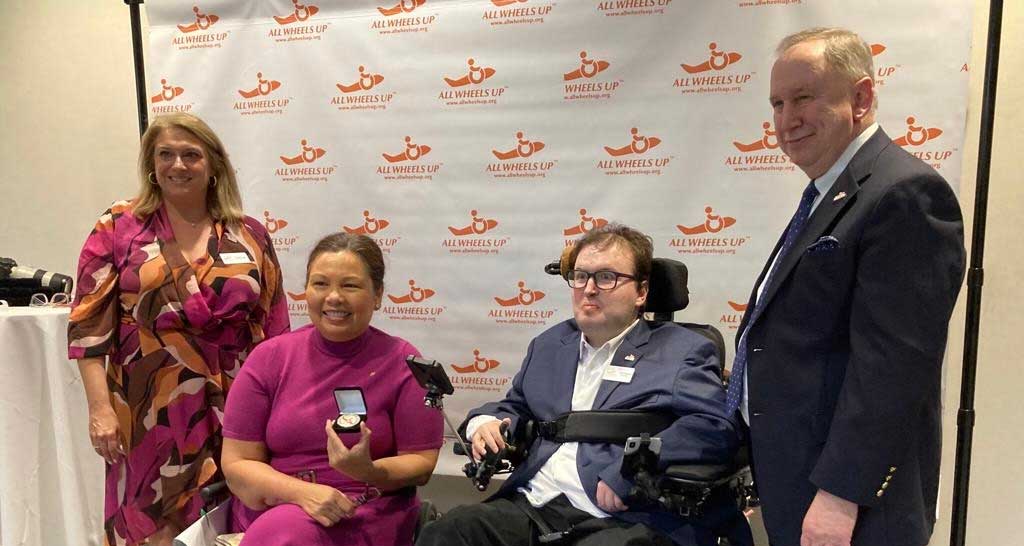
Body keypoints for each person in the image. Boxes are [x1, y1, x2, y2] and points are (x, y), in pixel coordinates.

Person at [727, 28, 967, 546]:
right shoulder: (828, 194)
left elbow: (892, 369)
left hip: (852, 506)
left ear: (860, 98)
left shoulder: (904, 193)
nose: (786, 120)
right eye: (777, 103)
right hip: (800, 482)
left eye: (804, 98)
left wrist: (840, 496)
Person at [417, 224, 745, 546]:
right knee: (449, 532)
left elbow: (715, 425)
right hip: (535, 503)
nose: (589, 289)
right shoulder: (549, 345)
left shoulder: (681, 349)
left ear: (641, 292)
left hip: (623, 513)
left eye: (606, 277)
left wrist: (633, 469)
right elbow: (515, 405)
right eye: (581, 276)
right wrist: (485, 423)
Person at [67, 112, 290, 546]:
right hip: (147, 406)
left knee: (233, 515)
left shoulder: (250, 235)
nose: (178, 165)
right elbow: (88, 327)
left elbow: (275, 329)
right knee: (154, 520)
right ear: (152, 164)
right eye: (165, 154)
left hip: (237, 400)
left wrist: (278, 408)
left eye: (191, 155)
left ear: (213, 166)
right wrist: (100, 410)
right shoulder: (118, 227)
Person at [221, 233, 443, 546]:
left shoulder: (403, 363)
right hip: (277, 506)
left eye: (350, 285)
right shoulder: (269, 358)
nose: (334, 297)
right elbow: (237, 464)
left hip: (365, 510)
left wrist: (368, 471)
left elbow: (420, 462)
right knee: (285, 533)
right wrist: (302, 494)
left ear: (377, 294)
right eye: (321, 284)